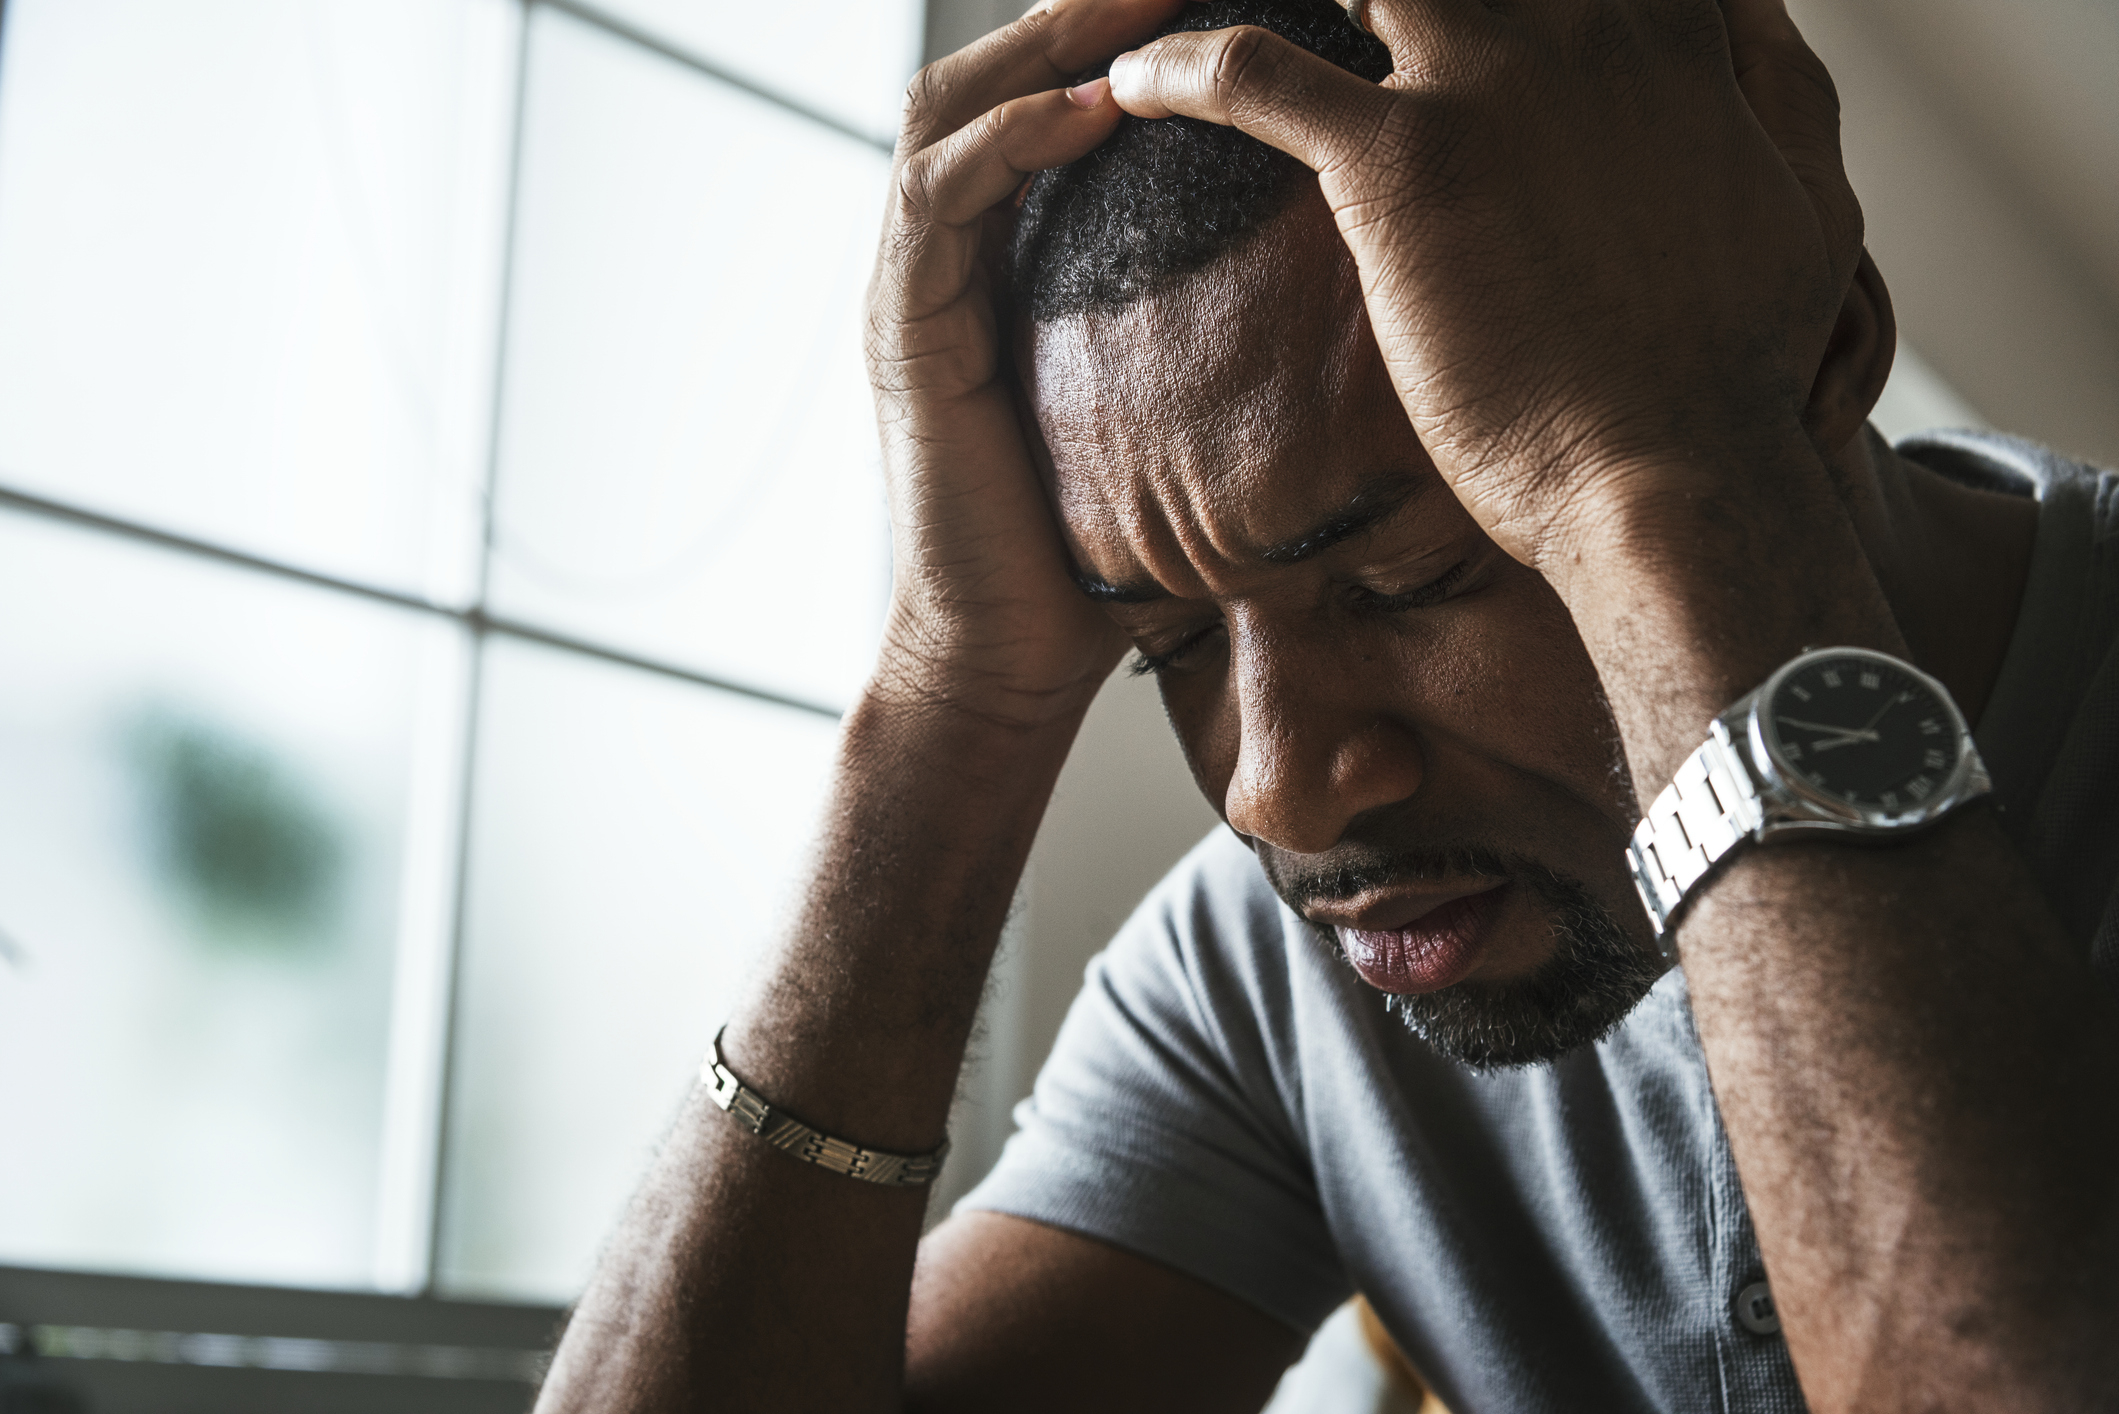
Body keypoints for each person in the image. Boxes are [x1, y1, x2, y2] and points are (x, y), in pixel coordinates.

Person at [536, 0, 2119, 1409]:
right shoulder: (1264, 980)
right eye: (1169, 648)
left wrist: (1670, 475)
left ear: (1822, 348)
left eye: (1413, 581)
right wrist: (949, 700)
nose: (1278, 794)